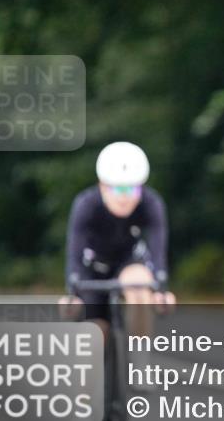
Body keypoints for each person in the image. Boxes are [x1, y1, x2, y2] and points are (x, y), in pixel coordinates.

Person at [60, 141, 175, 333]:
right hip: (93, 268)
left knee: (140, 287)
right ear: (102, 186)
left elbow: (157, 247)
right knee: (94, 332)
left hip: (129, 261)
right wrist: (72, 293)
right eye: (118, 189)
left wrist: (161, 289)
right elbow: (74, 250)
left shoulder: (151, 202)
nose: (124, 197)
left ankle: (139, 358)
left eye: (132, 189)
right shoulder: (85, 204)